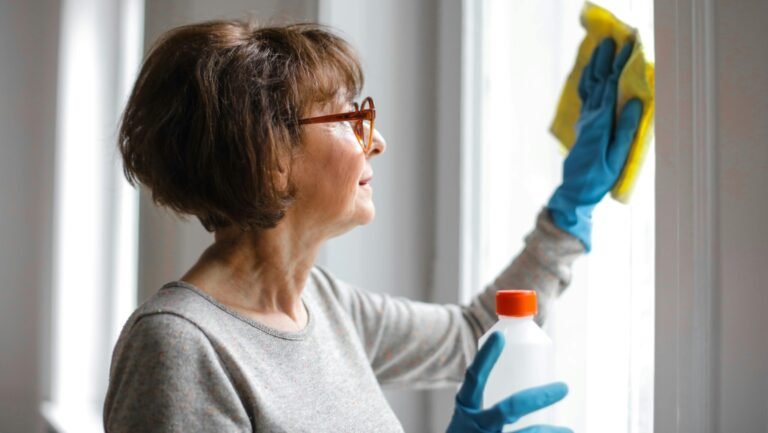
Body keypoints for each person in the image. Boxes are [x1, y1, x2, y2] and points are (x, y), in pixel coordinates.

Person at [103, 19, 641, 433]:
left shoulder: (327, 306)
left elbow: (475, 336)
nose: (376, 140)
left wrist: (570, 209)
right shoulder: (179, 346)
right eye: (347, 119)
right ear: (268, 156)